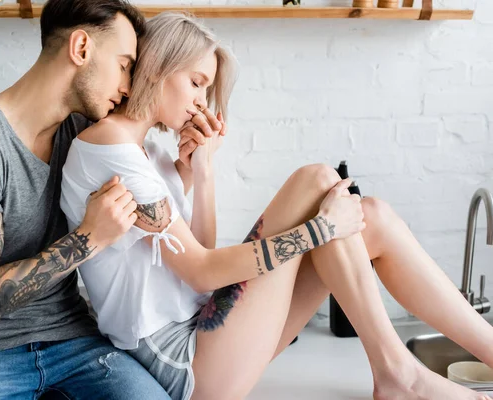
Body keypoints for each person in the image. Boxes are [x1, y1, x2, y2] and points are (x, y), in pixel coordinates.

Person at [60, 11, 493, 400]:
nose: (200, 102)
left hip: (214, 337)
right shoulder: (109, 146)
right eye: (196, 82)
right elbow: (201, 268)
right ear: (158, 65)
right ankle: (400, 375)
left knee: (371, 217)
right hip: (182, 364)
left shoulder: (150, 155)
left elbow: (199, 275)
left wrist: (202, 172)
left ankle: (456, 360)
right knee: (317, 182)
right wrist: (320, 229)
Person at [0, 1, 214, 398]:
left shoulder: (86, 134)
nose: (128, 85)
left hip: (75, 338)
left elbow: (157, 222)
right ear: (81, 48)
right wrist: (89, 238)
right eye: (124, 65)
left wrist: (191, 166)